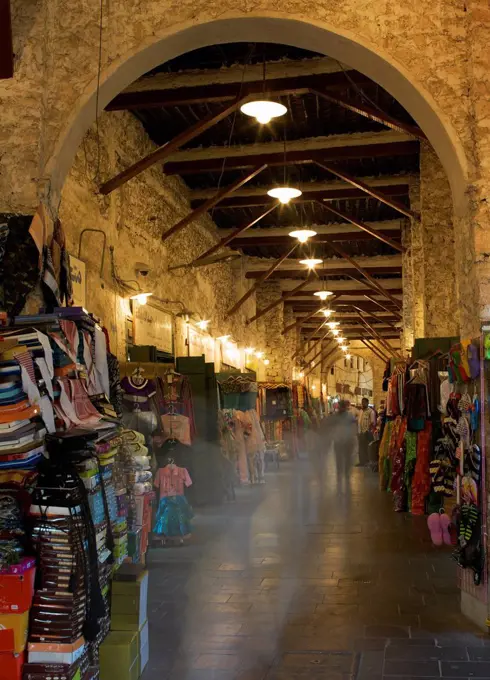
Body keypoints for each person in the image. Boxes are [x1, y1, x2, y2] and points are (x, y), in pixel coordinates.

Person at [317, 400, 357, 483]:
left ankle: (346, 473)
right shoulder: (335, 416)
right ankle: (340, 474)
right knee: (339, 459)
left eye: (342, 406)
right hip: (338, 441)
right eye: (340, 406)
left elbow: (354, 426)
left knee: (347, 459)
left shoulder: (350, 416)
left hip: (347, 441)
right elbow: (327, 426)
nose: (340, 408)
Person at [357, 397, 376, 466]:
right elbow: (359, 421)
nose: (363, 403)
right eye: (362, 402)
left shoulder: (371, 412)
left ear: (367, 403)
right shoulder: (361, 411)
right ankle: (361, 462)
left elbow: (373, 422)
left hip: (367, 433)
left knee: (367, 448)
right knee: (361, 448)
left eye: (364, 402)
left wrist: (367, 430)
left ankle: (367, 462)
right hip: (360, 432)